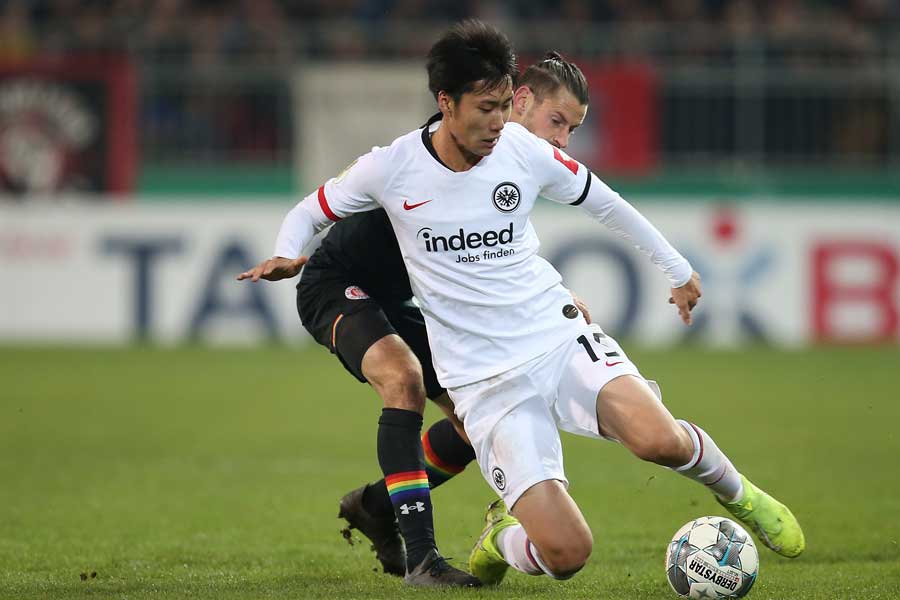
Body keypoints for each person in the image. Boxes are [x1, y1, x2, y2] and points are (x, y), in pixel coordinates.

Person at [239, 19, 805, 587]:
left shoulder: (521, 151)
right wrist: (289, 252)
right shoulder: (393, 166)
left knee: (657, 440)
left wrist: (676, 269)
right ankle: (460, 547)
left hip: (549, 338)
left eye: (505, 105)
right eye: (487, 107)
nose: (498, 121)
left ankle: (739, 493)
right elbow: (312, 209)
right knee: (560, 545)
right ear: (446, 102)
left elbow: (602, 205)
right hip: (408, 324)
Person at [284, 51, 595, 584]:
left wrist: (555, 297)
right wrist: (287, 247)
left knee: (480, 424)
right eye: (555, 123)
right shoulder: (435, 153)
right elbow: (322, 204)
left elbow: (502, 254)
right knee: (401, 379)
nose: (561, 140)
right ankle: (422, 559)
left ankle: (378, 506)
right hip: (338, 286)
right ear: (515, 106)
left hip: (396, 300)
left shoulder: (508, 163)